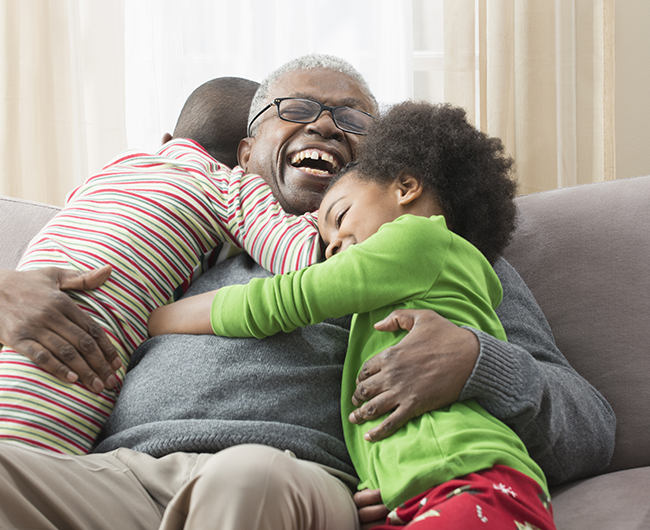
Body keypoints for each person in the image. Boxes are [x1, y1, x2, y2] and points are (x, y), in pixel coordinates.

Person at [0, 55, 614, 530]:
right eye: (294, 109)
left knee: (247, 477)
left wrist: (479, 362)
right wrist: (8, 293)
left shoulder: (438, 251)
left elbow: (591, 425)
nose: (324, 123)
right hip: (118, 477)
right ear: (244, 153)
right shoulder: (177, 238)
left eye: (354, 119)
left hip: (284, 479)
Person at [147, 101, 556, 530]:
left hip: (469, 478)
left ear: (405, 188)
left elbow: (282, 302)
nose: (333, 247)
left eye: (339, 217)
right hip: (419, 493)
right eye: (325, 244)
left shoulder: (418, 240)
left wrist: (153, 319)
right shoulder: (414, 283)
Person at [0, 75, 325, 454]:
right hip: (73, 359)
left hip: (19, 333)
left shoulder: (115, 169)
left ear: (167, 142)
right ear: (246, 156)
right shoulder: (230, 186)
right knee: (33, 459)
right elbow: (302, 256)